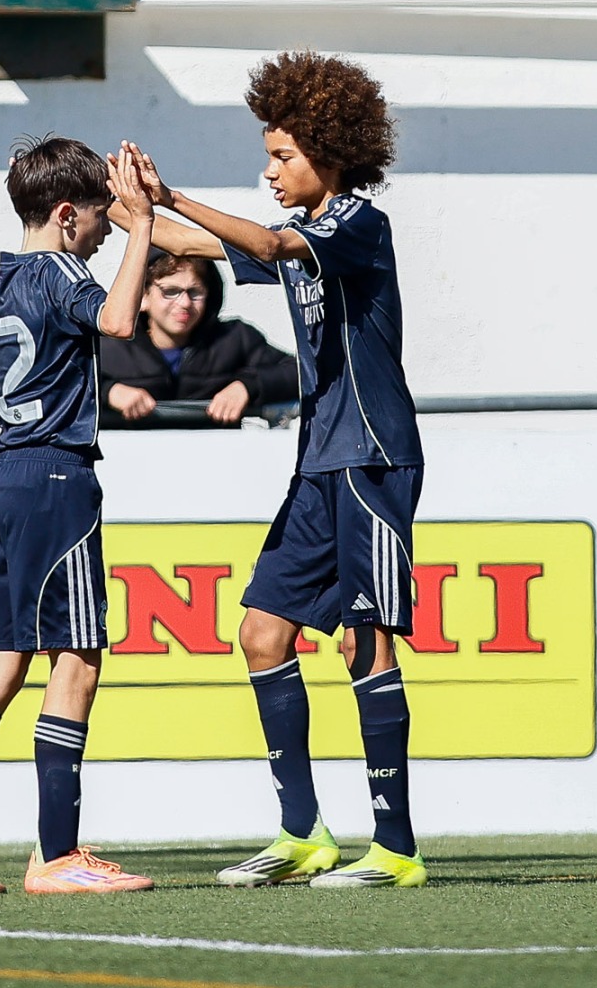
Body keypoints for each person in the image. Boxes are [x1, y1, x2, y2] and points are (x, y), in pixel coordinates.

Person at [116, 51, 426, 888]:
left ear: (330, 151)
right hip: (319, 462)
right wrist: (125, 207)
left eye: (283, 155)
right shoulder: (302, 234)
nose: (270, 169)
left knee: (364, 641)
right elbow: (200, 245)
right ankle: (302, 835)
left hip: (371, 456)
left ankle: (395, 848)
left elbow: (267, 239)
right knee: (260, 632)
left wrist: (173, 194)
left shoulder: (356, 223)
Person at [0, 137, 157, 895]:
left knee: (3, 660)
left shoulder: (10, 274)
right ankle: (57, 855)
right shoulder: (62, 269)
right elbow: (118, 321)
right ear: (67, 215)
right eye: (102, 218)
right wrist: (144, 225)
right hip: (55, 478)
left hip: (6, 473)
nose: (107, 232)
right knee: (77, 656)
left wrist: (145, 212)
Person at [99, 251, 299, 427]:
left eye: (195, 292)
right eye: (170, 292)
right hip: (129, 456)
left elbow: (299, 372)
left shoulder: (234, 339)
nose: (184, 303)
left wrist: (247, 386)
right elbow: (78, 379)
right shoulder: (109, 346)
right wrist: (109, 391)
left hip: (218, 455)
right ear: (143, 296)